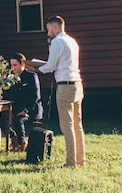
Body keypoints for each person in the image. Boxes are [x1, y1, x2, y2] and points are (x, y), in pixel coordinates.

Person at [38, 15, 85, 168]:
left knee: (67, 125)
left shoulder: (57, 41)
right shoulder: (72, 41)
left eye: (48, 30)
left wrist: (37, 68)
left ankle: (70, 163)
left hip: (65, 85)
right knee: (78, 125)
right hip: (77, 83)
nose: (47, 33)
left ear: (55, 28)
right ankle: (80, 160)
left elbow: (51, 66)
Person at [6, 54, 43, 151]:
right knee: (2, 119)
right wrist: (10, 111)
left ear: (22, 64)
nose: (12, 68)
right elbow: (10, 96)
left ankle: (21, 144)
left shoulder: (31, 76)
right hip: (16, 108)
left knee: (19, 120)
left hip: (31, 110)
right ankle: (14, 138)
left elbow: (35, 96)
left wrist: (26, 110)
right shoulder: (11, 78)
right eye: (11, 65)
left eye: (15, 65)